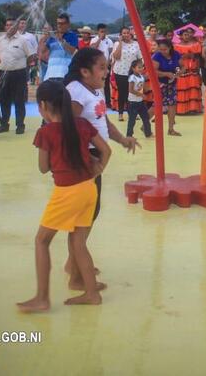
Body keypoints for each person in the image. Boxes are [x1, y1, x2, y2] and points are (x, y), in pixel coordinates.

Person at [17, 81, 111, 313]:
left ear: (43, 106)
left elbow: (43, 168)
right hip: (89, 188)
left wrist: (56, 159)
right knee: (78, 242)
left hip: (67, 192)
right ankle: (90, 292)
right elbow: (106, 150)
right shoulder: (82, 124)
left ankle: (42, 298)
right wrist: (98, 168)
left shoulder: (45, 133)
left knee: (41, 241)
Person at [63, 48, 139, 290]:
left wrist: (122, 139)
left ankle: (73, 262)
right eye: (102, 68)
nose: (107, 72)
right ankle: (77, 275)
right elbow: (68, 129)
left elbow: (102, 120)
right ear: (85, 71)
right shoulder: (76, 91)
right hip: (84, 160)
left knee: (89, 213)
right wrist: (86, 159)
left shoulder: (93, 90)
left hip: (93, 157)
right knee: (83, 216)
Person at [0, 18, 33, 135]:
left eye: (12, 25)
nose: (9, 27)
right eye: (7, 25)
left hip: (19, 73)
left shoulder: (23, 40)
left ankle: (20, 125)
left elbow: (31, 55)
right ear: (5, 27)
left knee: (19, 100)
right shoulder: (0, 40)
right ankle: (4, 124)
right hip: (3, 73)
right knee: (3, 100)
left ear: (16, 27)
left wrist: (23, 66)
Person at [152, 38, 183, 136]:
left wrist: (180, 72)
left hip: (172, 83)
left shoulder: (176, 54)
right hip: (160, 83)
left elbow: (183, 66)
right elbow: (153, 71)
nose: (163, 52)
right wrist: (166, 74)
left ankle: (171, 129)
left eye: (165, 49)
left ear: (170, 48)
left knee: (172, 105)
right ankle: (145, 124)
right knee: (156, 105)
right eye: (161, 49)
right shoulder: (157, 56)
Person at [111, 27, 142, 121]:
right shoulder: (117, 44)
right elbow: (116, 57)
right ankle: (120, 113)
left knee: (133, 93)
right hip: (120, 72)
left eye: (127, 33)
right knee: (122, 93)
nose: (126, 35)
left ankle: (133, 112)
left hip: (132, 72)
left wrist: (139, 69)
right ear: (120, 34)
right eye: (124, 33)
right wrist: (120, 43)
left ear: (130, 34)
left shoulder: (135, 44)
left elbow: (139, 58)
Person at [174, 25, 203, 114]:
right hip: (182, 70)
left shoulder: (196, 45)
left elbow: (198, 57)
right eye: (185, 35)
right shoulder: (176, 46)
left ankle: (193, 109)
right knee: (182, 89)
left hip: (192, 70)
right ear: (181, 36)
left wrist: (198, 69)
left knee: (193, 89)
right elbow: (175, 59)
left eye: (188, 34)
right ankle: (182, 110)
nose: (187, 36)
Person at [40, 14, 78, 82]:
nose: (59, 25)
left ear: (68, 24)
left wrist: (61, 40)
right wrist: (45, 38)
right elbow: (42, 52)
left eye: (62, 23)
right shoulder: (52, 37)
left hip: (64, 73)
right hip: (50, 73)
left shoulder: (72, 35)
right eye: (58, 23)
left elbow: (71, 51)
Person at [126, 60, 152, 137]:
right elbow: (130, 90)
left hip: (140, 102)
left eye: (142, 67)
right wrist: (141, 95)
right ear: (133, 68)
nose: (141, 69)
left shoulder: (141, 77)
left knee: (146, 118)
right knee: (132, 120)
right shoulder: (132, 78)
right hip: (132, 103)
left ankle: (148, 133)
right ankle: (129, 135)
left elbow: (142, 87)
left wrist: (148, 90)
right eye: (139, 67)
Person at [91, 23, 114, 102]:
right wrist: (99, 39)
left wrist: (107, 65)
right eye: (101, 31)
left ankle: (107, 102)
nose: (103, 33)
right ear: (98, 31)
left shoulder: (109, 41)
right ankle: (96, 100)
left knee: (106, 84)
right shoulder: (94, 40)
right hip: (96, 65)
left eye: (104, 31)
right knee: (96, 83)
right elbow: (93, 49)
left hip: (106, 65)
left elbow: (110, 53)